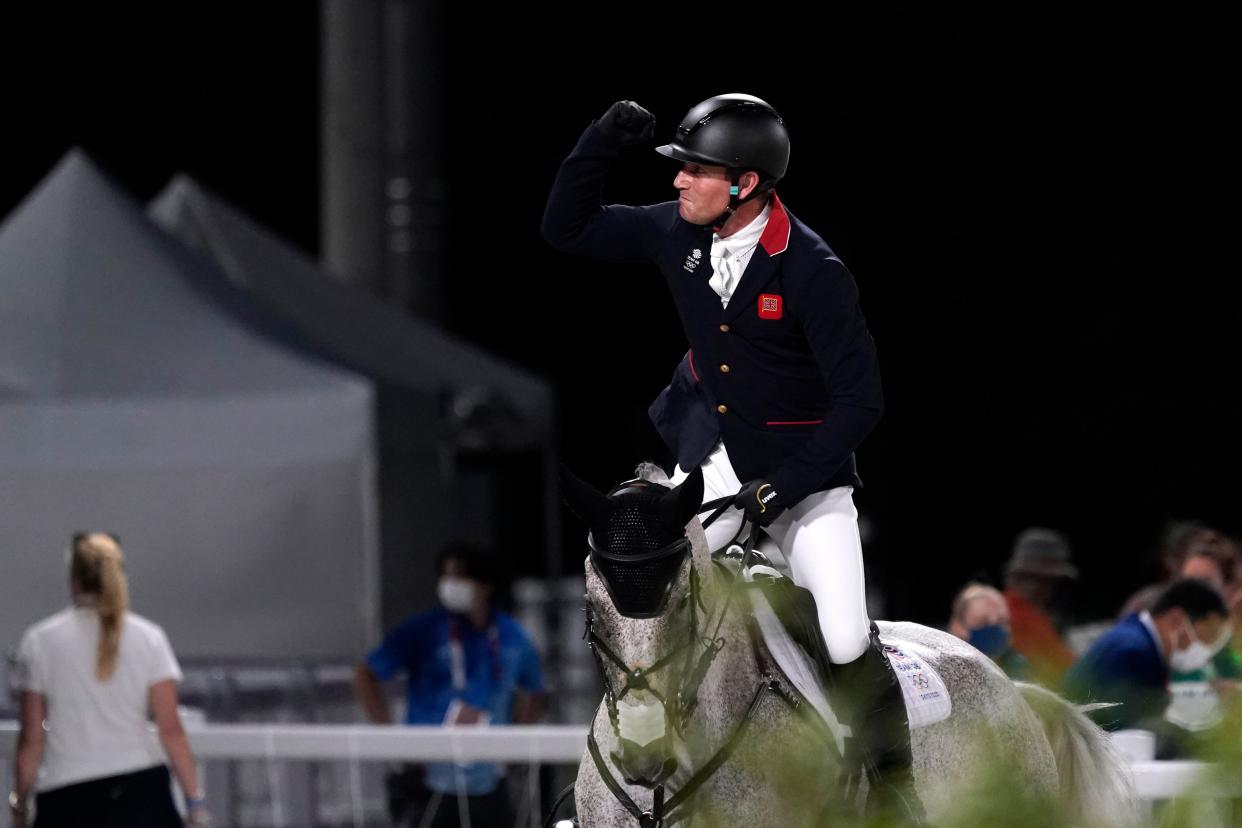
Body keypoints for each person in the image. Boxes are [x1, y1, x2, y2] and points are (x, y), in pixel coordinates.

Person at [542, 94, 915, 818]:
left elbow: (860, 404)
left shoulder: (812, 269)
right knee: (642, 600)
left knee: (842, 636)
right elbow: (566, 228)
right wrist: (598, 142)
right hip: (710, 466)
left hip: (805, 485)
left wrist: (783, 488)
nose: (678, 182)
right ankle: (591, 791)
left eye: (695, 171)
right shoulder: (675, 233)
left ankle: (897, 795)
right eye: (678, 170)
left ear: (744, 184)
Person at [9, 533, 209, 828]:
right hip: (143, 792)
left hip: (67, 796)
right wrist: (195, 804)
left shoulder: (40, 641)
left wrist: (20, 803)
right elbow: (171, 731)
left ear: (72, 579)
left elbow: (32, 739)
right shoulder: (149, 638)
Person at [352, 542, 546, 828]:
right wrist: (391, 738)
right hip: (428, 775)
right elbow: (364, 675)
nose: (449, 584)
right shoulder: (424, 631)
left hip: (488, 778)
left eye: (459, 577)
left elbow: (537, 692)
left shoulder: (512, 636)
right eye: (445, 576)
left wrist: (513, 748)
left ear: (485, 585)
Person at [1063, 578, 1232, 756]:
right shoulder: (1133, 654)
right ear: (1176, 620)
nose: (1207, 652)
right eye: (1207, 637)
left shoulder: (1132, 639)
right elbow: (1138, 737)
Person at [1001, 527, 1079, 686]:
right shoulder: (1020, 616)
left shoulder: (1001, 608)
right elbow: (1072, 674)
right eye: (1046, 581)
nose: (1048, 590)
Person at [1119, 519, 1225, 617]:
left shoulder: (1230, 602)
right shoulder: (1145, 604)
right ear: (1170, 561)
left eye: (1209, 555)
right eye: (1197, 554)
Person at [947, 583, 1028, 679]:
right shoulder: (942, 674)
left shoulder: (1027, 673)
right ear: (958, 627)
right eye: (983, 622)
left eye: (1001, 622)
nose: (994, 629)